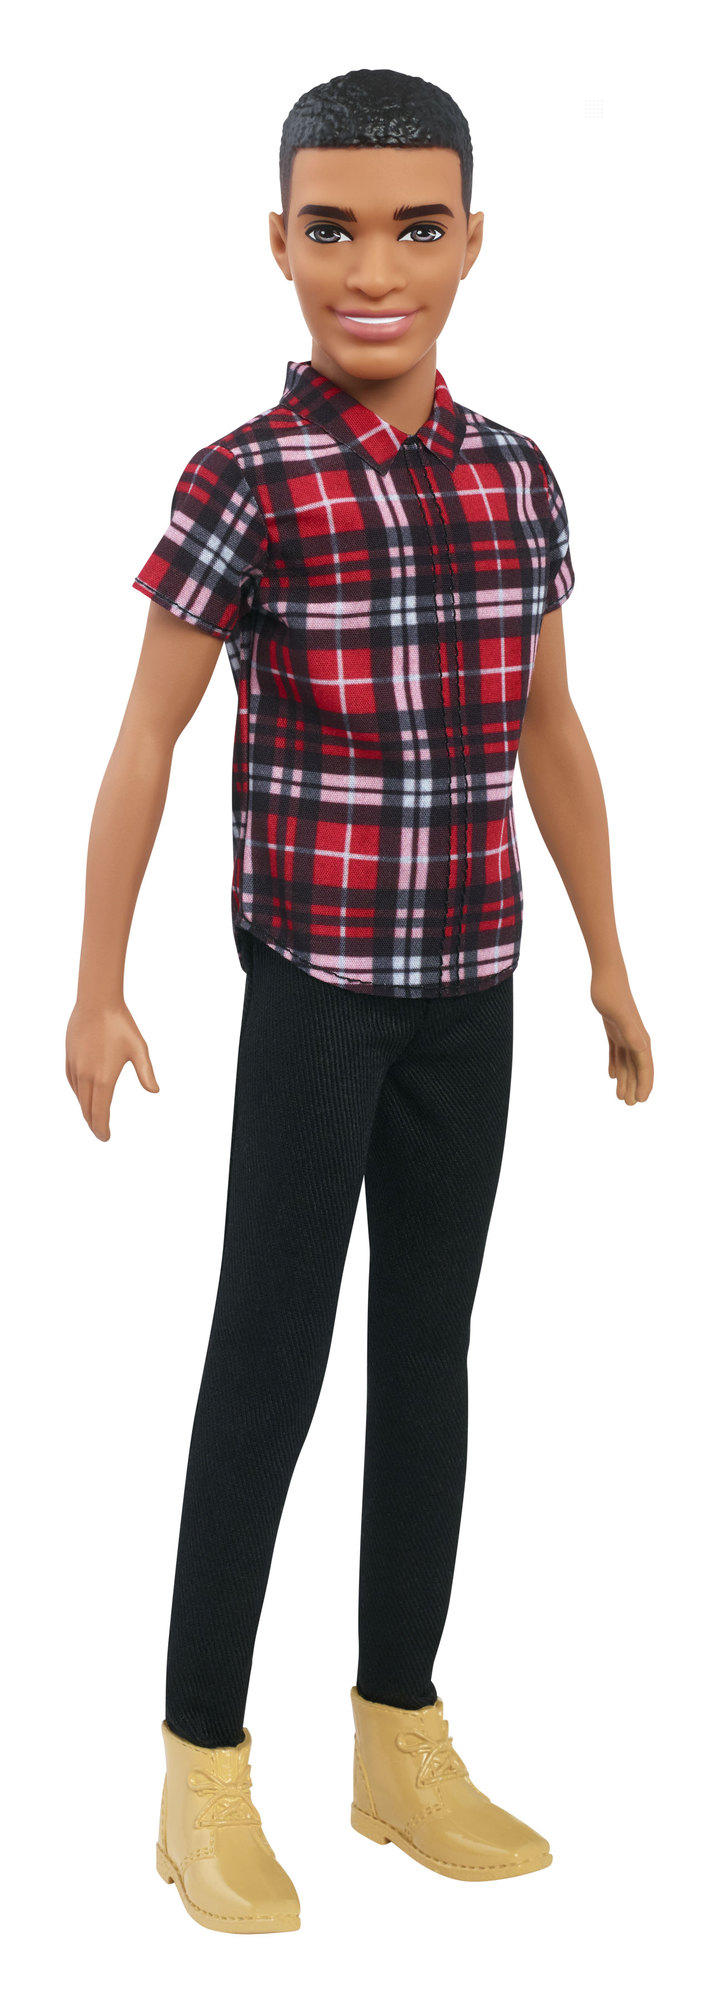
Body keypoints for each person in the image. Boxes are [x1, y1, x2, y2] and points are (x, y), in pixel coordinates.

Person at [66, 67, 653, 1934]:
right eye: (332, 228)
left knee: (430, 1353)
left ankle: (399, 1736)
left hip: (473, 979)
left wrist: (610, 958)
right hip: (317, 984)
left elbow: (551, 730)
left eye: (415, 228)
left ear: (473, 243)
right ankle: (200, 1770)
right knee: (268, 1355)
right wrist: (96, 982)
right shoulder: (247, 479)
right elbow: (147, 736)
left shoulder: (516, 475)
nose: (372, 270)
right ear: (280, 242)